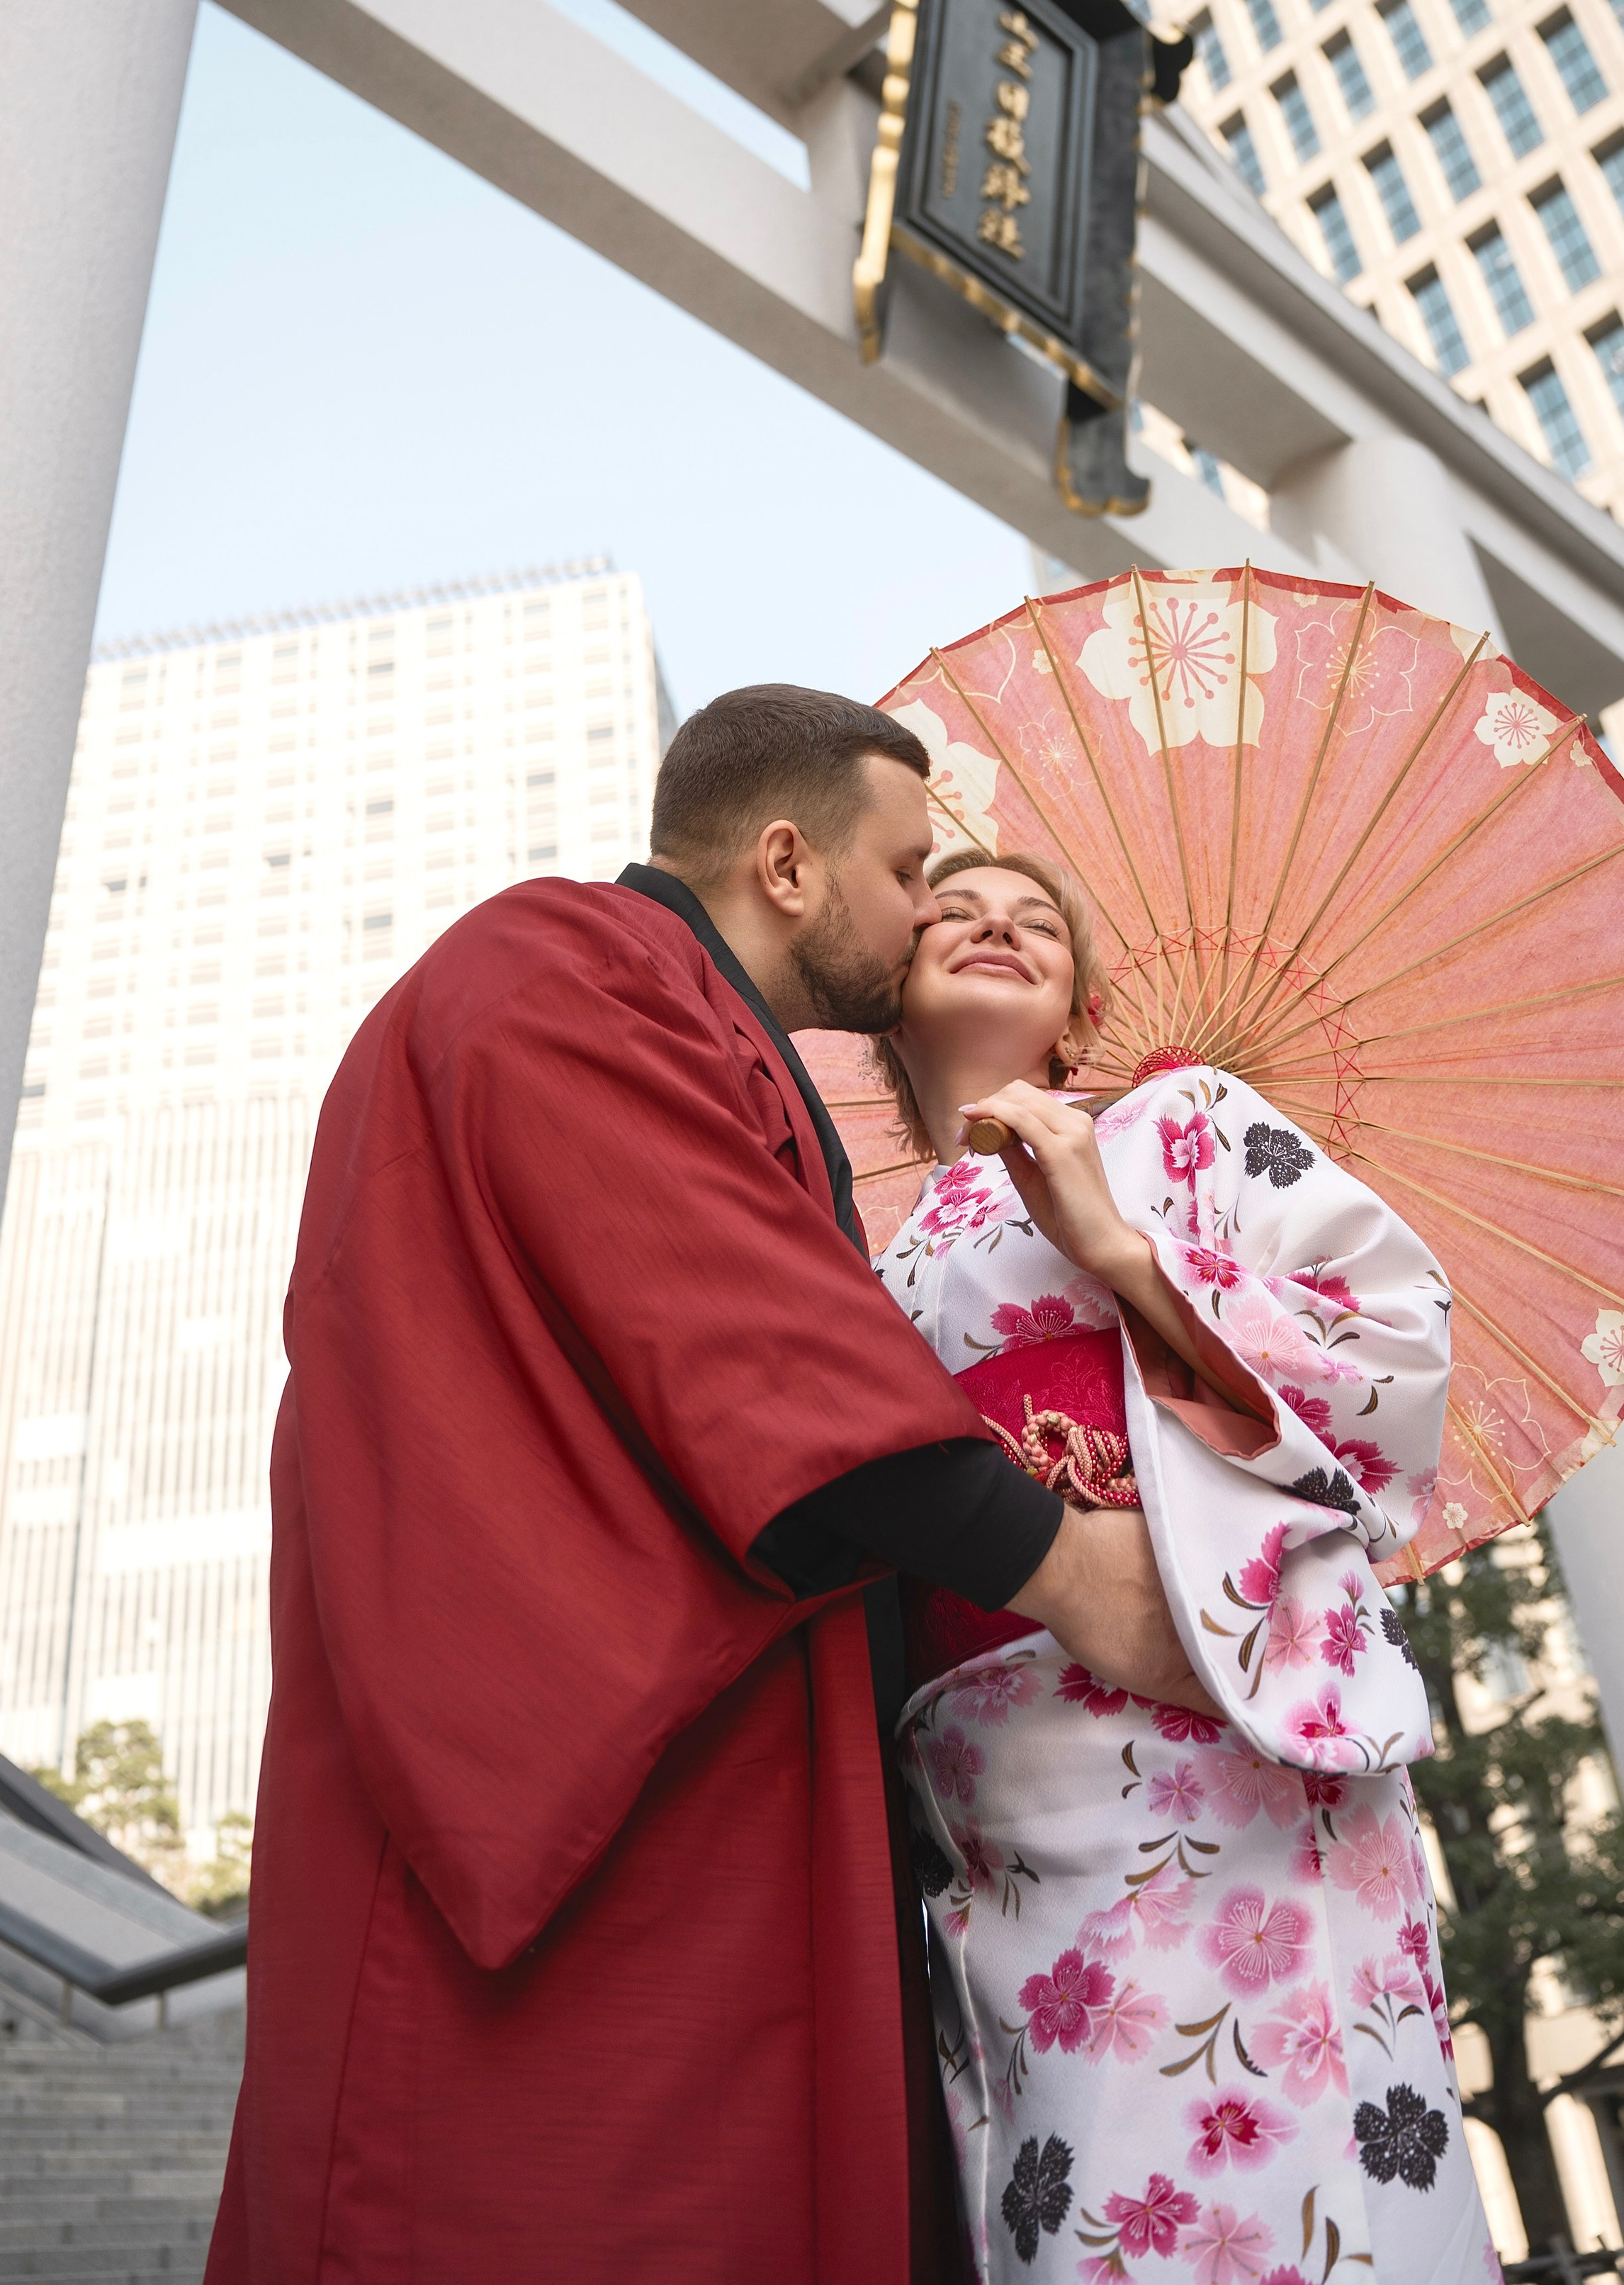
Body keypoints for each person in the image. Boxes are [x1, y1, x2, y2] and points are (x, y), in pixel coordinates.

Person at [206, 687, 1212, 2285]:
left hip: (788, 1764)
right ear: (788, 865)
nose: (928, 910)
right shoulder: (561, 961)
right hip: (586, 1775)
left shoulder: (694, 1024)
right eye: (910, 872)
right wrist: (1072, 1570)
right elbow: (731, 1324)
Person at [874, 848, 1497, 2284]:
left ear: (1081, 1013)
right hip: (985, 1779)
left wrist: (1121, 1248)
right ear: (889, 992)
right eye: (950, 910)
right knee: (1069, 2188)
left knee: (1290, 2153)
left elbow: (1395, 1341)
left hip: (1212, 1721)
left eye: (1035, 920)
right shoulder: (874, 1259)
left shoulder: (1181, 1122)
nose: (992, 923)